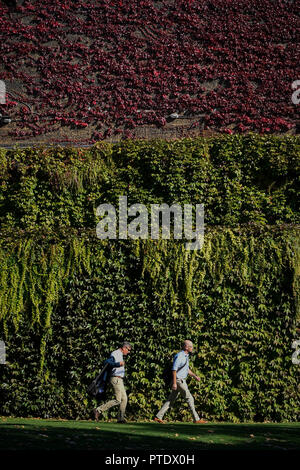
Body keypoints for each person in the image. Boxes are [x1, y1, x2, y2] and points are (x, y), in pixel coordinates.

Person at [154, 340, 207, 424]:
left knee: (171, 400)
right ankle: (196, 419)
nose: (192, 348)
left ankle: (158, 416)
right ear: (186, 347)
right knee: (189, 398)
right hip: (179, 380)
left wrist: (195, 376)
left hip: (180, 380)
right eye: (191, 346)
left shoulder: (186, 356)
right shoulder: (180, 356)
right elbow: (174, 370)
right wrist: (174, 383)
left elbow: (187, 369)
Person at [93, 341, 132, 423]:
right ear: (124, 348)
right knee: (118, 400)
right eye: (128, 350)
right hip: (115, 379)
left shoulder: (120, 354)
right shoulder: (115, 353)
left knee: (124, 399)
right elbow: (107, 362)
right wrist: (118, 364)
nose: (128, 352)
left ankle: (120, 419)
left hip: (119, 379)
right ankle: (98, 410)